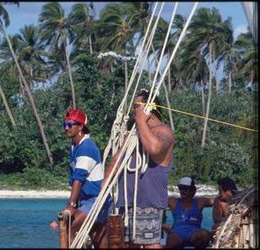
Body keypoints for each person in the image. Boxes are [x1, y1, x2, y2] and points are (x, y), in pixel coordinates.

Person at [103, 89, 175, 248]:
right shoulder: (133, 134)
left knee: (150, 244)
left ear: (149, 108)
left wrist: (142, 121)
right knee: (126, 244)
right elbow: (116, 160)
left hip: (147, 202)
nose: (133, 111)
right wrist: (104, 185)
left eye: (137, 106)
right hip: (125, 200)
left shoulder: (163, 131)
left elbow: (154, 148)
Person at [62, 108, 111, 248]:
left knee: (67, 227)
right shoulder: (75, 146)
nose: (66, 128)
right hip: (88, 201)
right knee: (97, 237)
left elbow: (79, 179)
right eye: (64, 124)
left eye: (70, 124)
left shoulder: (86, 148)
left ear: (81, 127)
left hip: (96, 200)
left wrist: (71, 206)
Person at [165, 177, 214, 249]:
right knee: (171, 242)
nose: (182, 191)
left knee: (205, 235)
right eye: (181, 188)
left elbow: (218, 201)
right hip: (177, 233)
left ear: (193, 190)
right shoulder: (173, 201)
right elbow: (156, 201)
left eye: (185, 188)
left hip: (194, 233)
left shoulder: (200, 202)